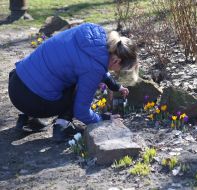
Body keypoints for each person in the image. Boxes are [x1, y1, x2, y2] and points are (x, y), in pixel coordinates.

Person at [8, 23, 137, 142]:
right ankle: (62, 127)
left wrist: (114, 85)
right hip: (32, 101)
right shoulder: (94, 68)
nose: (119, 72)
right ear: (116, 61)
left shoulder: (90, 33)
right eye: (122, 69)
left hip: (16, 83)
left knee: (54, 74)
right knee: (75, 87)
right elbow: (81, 111)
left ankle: (27, 119)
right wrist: (103, 119)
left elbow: (91, 61)